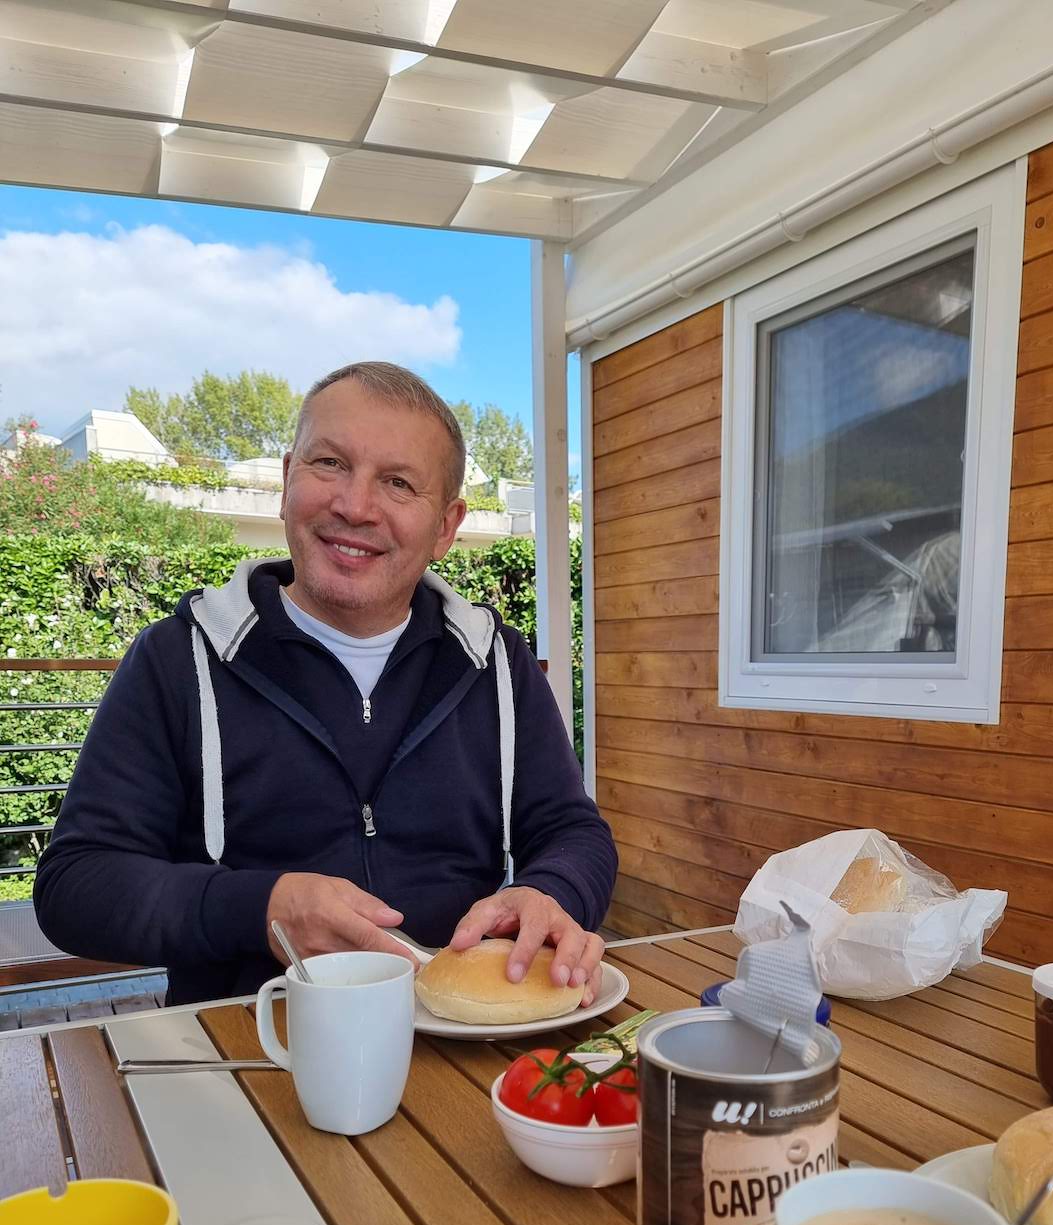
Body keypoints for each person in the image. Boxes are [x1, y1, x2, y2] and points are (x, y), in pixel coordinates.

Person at [34, 362, 618, 1006]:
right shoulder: (178, 658)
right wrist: (262, 908)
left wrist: (552, 893)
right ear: (287, 480)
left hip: (469, 1040)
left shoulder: (499, 663)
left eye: (397, 483)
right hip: (250, 1049)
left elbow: (574, 831)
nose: (354, 505)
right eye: (330, 464)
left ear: (446, 527)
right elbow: (76, 885)